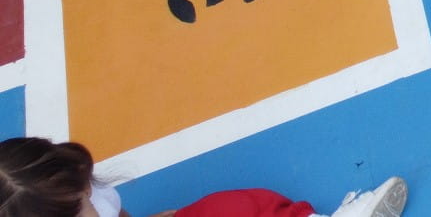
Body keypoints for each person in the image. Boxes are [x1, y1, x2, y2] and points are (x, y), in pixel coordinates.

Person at [0, 136, 406, 216]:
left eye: (84, 185)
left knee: (238, 205)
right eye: (80, 203)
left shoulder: (86, 194)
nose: (90, 192)